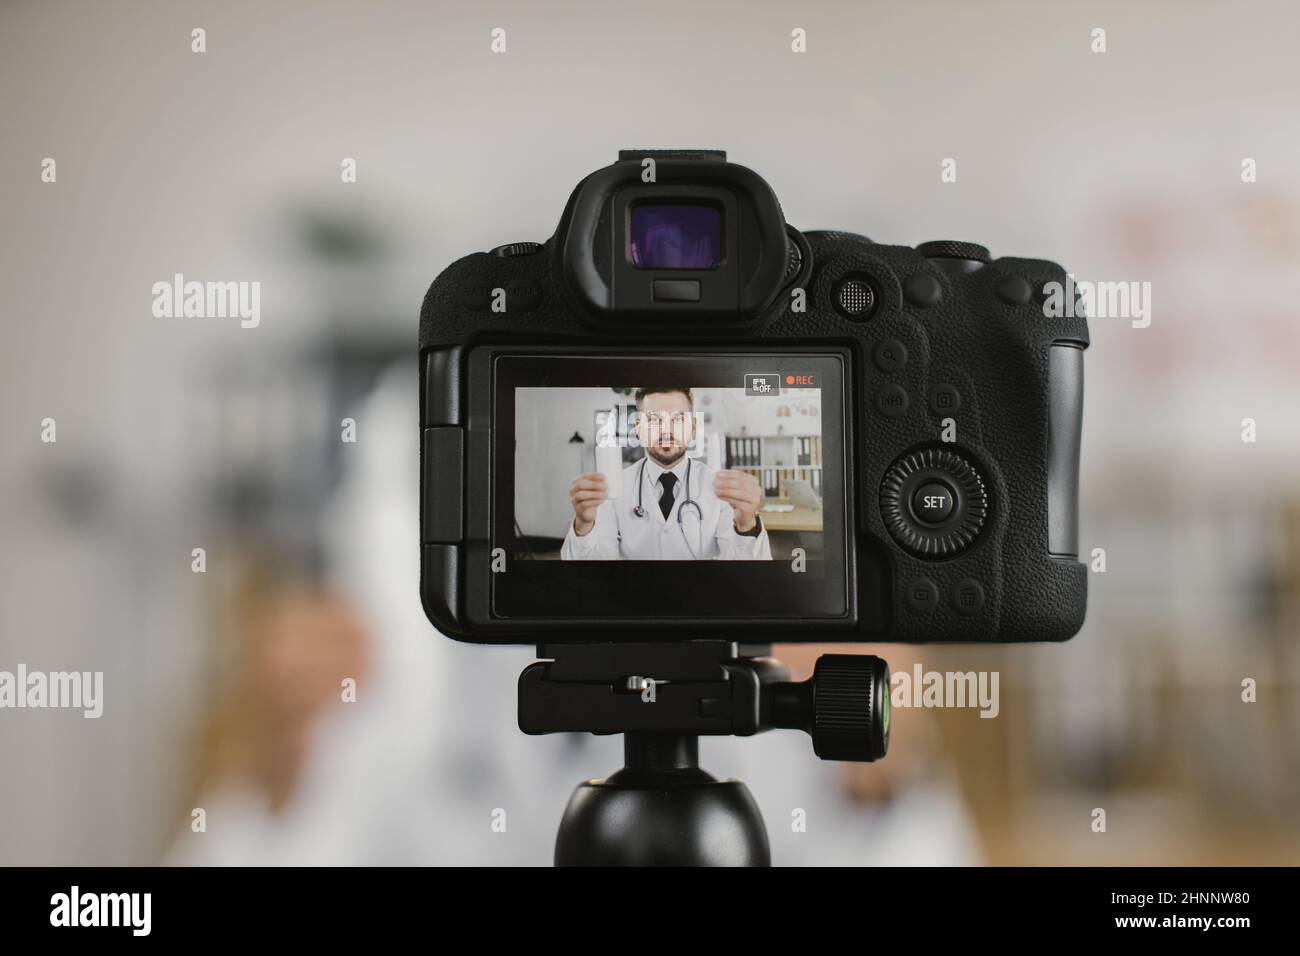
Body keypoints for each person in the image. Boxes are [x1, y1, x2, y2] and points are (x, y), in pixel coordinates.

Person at [562, 386, 771, 560]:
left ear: (693, 427)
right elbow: (594, 571)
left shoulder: (722, 488)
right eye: (654, 419)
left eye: (678, 419)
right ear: (638, 429)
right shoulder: (614, 487)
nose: (667, 430)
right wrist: (584, 527)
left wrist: (746, 526)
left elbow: (744, 572)